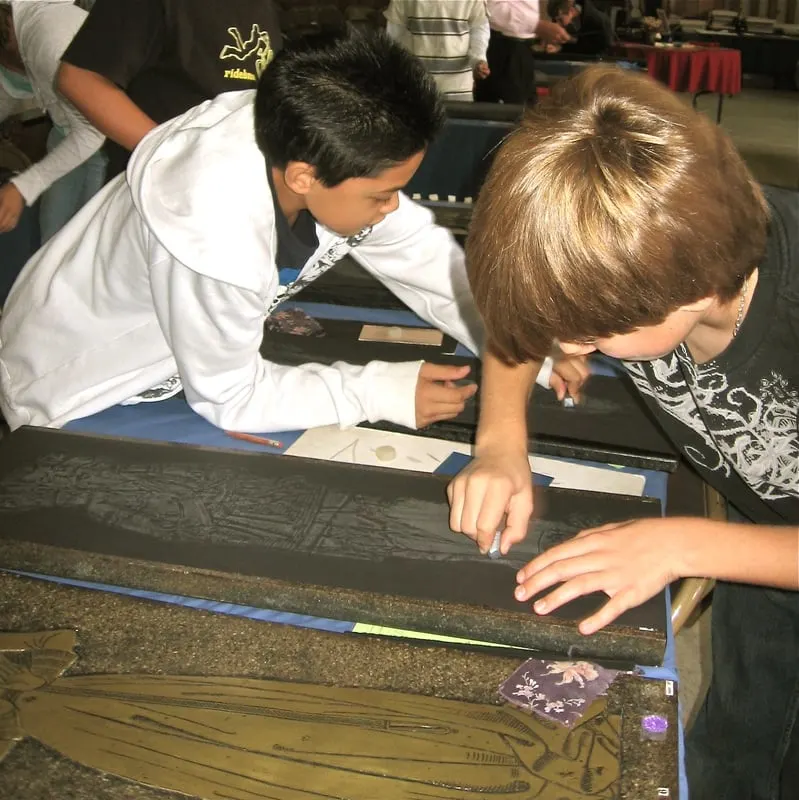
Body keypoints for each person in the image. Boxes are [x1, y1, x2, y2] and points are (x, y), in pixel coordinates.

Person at [448, 64, 799, 799]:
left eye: (594, 335)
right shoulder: (657, 250)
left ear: (698, 292)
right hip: (758, 544)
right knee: (736, 743)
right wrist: (500, 443)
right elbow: (523, 324)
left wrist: (684, 542)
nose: (568, 351)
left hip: (751, 538)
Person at [0, 30, 524, 436]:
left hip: (165, 364)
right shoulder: (213, 233)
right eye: (380, 195)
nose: (391, 210)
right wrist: (381, 391)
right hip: (75, 394)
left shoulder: (307, 141)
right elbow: (231, 397)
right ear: (304, 177)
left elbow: (418, 251)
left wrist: (521, 339)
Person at [56, 0, 283, 182]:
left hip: (236, 187)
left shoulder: (263, 6)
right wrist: (174, 156)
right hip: (162, 196)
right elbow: (80, 79)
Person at [0, 1, 105, 242]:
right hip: (65, 134)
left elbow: (94, 132)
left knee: (87, 242)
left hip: (106, 147)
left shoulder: (50, 40)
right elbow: (7, 91)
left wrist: (23, 186)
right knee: (52, 238)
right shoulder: (12, 35)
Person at [384, 0, 490, 102]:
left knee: (458, 120)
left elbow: (479, 29)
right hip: (416, 86)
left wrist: (478, 59)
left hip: (458, 87)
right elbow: (395, 36)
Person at [474, 0, 570, 105]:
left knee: (526, 113)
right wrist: (537, 26)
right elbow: (490, 9)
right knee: (508, 115)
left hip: (521, 52)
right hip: (503, 52)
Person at [545, 0, 613, 57]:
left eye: (560, 20)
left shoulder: (600, 22)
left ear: (572, 11)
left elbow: (600, 50)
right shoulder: (561, 14)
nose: (557, 24)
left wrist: (569, 41)